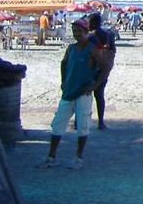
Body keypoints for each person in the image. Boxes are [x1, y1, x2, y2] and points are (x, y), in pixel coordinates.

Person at [36, 18, 98, 170]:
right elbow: (63, 63)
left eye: (80, 32)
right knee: (57, 124)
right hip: (68, 92)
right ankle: (51, 157)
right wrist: (63, 81)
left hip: (83, 93)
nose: (77, 34)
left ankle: (78, 157)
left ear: (86, 32)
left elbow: (106, 65)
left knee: (82, 126)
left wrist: (95, 84)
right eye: (75, 31)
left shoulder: (91, 49)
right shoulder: (70, 48)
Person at [86, 12, 117, 129]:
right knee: (100, 96)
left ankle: (82, 120)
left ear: (93, 23)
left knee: (87, 95)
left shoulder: (89, 37)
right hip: (104, 68)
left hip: (91, 68)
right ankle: (101, 122)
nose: (87, 25)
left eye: (88, 23)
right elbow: (113, 51)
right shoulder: (109, 34)